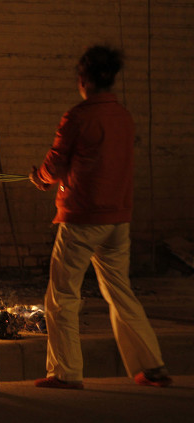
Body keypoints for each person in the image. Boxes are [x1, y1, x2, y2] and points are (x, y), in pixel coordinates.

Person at [29, 45, 172, 389]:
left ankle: (66, 372)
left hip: (82, 217)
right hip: (117, 218)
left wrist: (41, 179)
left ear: (84, 79)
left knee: (62, 295)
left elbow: (55, 163)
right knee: (120, 291)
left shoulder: (78, 116)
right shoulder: (123, 115)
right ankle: (151, 365)